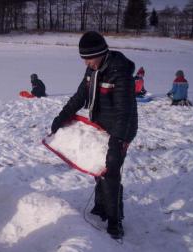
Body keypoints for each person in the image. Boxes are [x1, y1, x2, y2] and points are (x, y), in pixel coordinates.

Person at [50, 31, 138, 239]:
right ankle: (101, 207)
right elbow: (81, 95)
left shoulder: (120, 72)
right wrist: (61, 117)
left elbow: (124, 111)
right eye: (84, 59)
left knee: (111, 172)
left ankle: (115, 221)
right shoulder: (92, 71)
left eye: (90, 58)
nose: (86, 63)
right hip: (100, 126)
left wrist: (118, 141)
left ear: (102, 53)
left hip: (122, 129)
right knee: (98, 168)